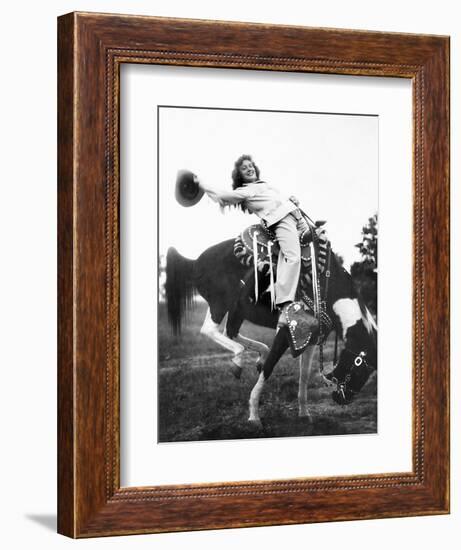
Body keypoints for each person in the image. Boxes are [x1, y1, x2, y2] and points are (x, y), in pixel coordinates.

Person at [198, 154, 310, 324]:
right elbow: (223, 195)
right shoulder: (246, 191)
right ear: (240, 176)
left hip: (298, 219)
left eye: (251, 165)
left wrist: (291, 201)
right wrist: (201, 184)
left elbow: (279, 200)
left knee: (314, 255)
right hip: (281, 220)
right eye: (244, 168)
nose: (249, 168)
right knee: (292, 258)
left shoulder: (265, 186)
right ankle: (285, 306)